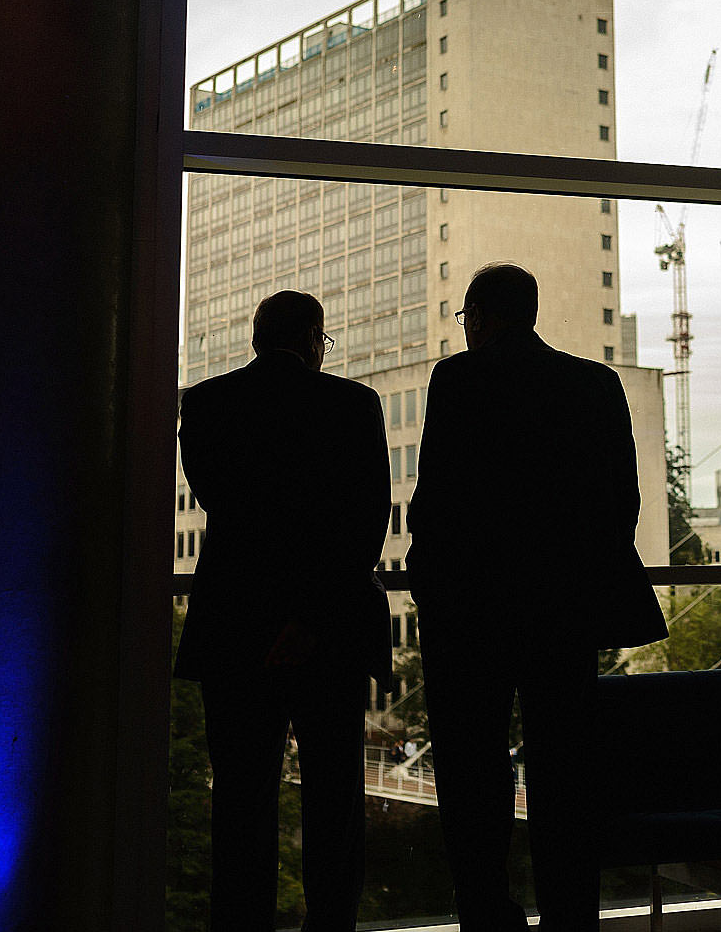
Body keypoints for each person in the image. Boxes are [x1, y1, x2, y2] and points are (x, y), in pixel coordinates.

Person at [407, 263, 666, 931]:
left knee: (473, 770)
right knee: (565, 768)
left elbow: (437, 496)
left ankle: (488, 914)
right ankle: (570, 914)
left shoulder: (458, 379)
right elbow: (623, 499)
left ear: (481, 316)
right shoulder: (595, 383)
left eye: (466, 319)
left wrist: (430, 583)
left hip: (472, 611)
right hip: (564, 610)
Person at [175, 290, 394, 932]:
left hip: (235, 624)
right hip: (329, 633)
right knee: (334, 799)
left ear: (257, 338)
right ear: (311, 338)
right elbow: (366, 524)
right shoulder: (354, 405)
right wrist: (313, 618)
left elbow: (220, 500)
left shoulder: (206, 403)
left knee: (241, 799)